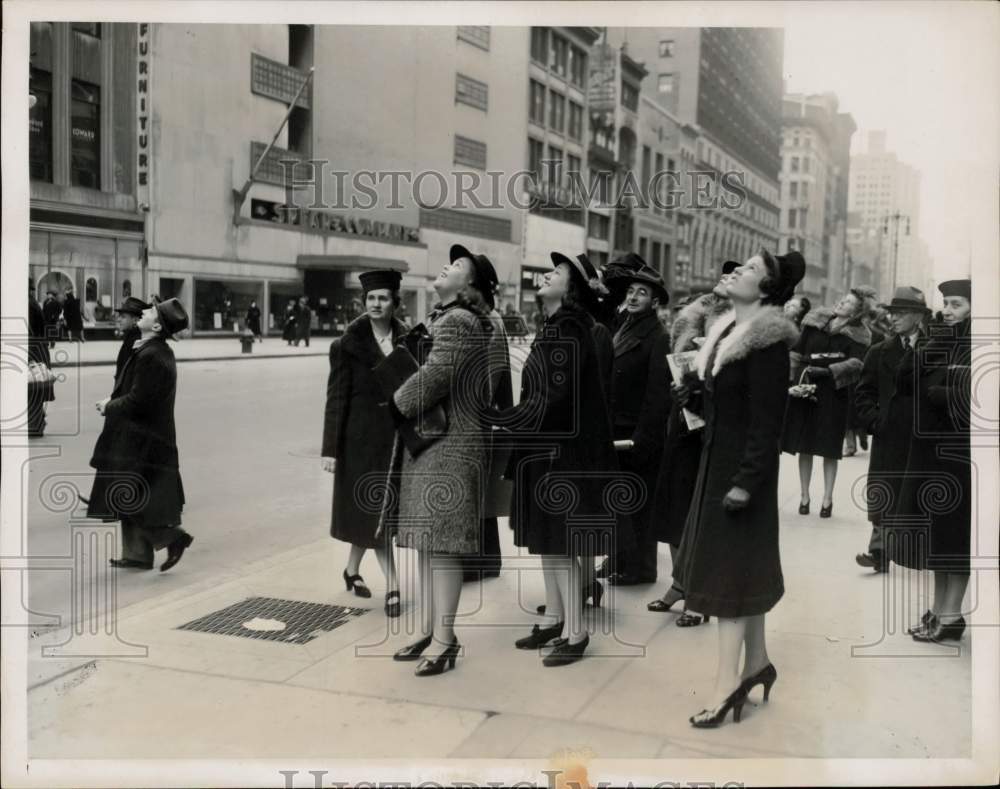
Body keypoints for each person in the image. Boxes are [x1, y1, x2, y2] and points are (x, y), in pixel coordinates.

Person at [673, 248, 804, 728]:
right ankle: (757, 665)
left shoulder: (767, 344)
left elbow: (768, 425)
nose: (736, 272)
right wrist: (692, 395)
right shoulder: (728, 330)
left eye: (749, 269)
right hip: (720, 468)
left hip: (740, 479)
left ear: (766, 288)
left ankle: (726, 686)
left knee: (727, 581)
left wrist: (746, 484)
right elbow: (731, 406)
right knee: (743, 573)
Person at [486, 251, 619, 667]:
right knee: (548, 541)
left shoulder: (571, 328)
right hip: (548, 450)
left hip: (562, 454)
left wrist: (510, 419)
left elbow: (555, 397)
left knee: (560, 541)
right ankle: (558, 619)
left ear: (572, 288)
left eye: (556, 272)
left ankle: (576, 632)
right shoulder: (557, 326)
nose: (546, 274)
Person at [381, 245, 499, 676]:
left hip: (449, 445)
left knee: (443, 548)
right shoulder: (446, 318)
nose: (447, 267)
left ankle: (446, 640)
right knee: (430, 546)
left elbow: (436, 374)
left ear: (468, 285)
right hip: (436, 443)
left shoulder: (460, 320)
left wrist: (397, 401)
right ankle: (431, 630)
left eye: (457, 265)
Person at [647, 260, 738, 625]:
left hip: (713, 426)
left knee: (703, 513)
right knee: (675, 506)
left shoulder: (740, 325)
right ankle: (680, 583)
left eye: (736, 275)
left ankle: (700, 594)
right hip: (682, 420)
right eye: (724, 273)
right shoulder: (690, 315)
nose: (726, 277)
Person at [888, 279, 972, 643]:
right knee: (939, 537)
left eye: (956, 304)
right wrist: (932, 340)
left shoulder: (980, 343)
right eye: (946, 304)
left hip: (961, 455)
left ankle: (952, 614)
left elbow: (981, 396)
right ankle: (939, 610)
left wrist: (941, 393)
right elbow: (905, 379)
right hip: (934, 453)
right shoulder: (946, 339)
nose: (948, 311)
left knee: (956, 538)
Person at [322, 270, 407, 617]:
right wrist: (330, 449)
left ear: (394, 303)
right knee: (376, 515)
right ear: (364, 302)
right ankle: (395, 586)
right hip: (359, 442)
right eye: (371, 298)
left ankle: (351, 571)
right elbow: (336, 399)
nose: (376, 304)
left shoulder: (408, 340)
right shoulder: (346, 346)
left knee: (370, 514)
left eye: (383, 298)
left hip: (396, 442)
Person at [87, 299, 194, 572]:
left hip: (144, 439)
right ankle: (137, 554)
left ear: (156, 325)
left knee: (130, 492)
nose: (144, 312)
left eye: (149, 312)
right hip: (139, 435)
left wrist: (109, 406)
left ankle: (172, 538)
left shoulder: (153, 355)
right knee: (127, 490)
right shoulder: (148, 349)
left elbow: (139, 400)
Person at [601, 264, 670, 586]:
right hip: (617, 426)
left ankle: (641, 568)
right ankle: (618, 558)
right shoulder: (624, 326)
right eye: (631, 291)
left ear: (655, 302)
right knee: (620, 499)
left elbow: (657, 395)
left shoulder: (658, 336)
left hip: (636, 432)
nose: (633, 296)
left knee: (638, 502)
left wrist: (644, 437)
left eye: (642, 293)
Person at [853, 286, 930, 573]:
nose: (894, 318)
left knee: (918, 490)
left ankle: (918, 551)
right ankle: (879, 551)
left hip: (921, 435)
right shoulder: (879, 351)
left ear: (917, 316)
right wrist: (875, 421)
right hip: (888, 435)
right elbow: (863, 393)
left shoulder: (932, 349)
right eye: (892, 313)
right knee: (883, 489)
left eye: (901, 313)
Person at [781, 288, 872, 518]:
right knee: (806, 445)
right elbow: (797, 352)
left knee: (829, 447)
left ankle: (827, 499)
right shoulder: (814, 323)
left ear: (857, 311)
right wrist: (792, 378)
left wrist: (829, 370)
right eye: (843, 299)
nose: (842, 302)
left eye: (849, 302)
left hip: (834, 392)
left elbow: (857, 363)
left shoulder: (859, 334)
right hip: (806, 387)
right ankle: (804, 497)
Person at [27, 279, 55, 438]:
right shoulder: (33, 303)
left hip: (33, 351)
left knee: (32, 389)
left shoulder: (27, 305)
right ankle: (37, 424)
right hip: (38, 350)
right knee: (35, 390)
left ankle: (35, 425)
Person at [113, 296, 152, 383]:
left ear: (135, 320)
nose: (118, 320)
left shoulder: (135, 342)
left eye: (123, 317)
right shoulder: (130, 337)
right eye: (119, 316)